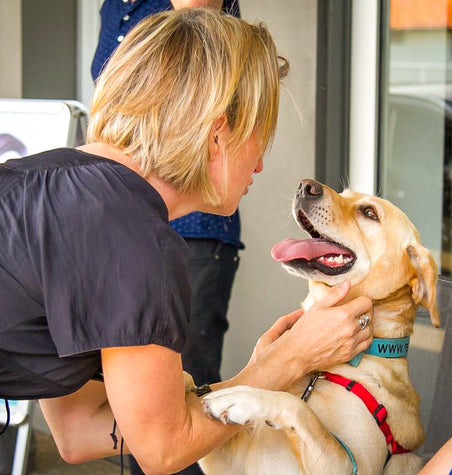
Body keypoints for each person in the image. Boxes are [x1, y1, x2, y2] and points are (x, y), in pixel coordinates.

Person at [0, 9, 373, 474]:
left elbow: (80, 431)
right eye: (261, 137)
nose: (259, 166)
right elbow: (163, 450)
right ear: (218, 134)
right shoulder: (132, 237)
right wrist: (291, 359)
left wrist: (258, 373)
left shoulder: (55, 185)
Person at [91, 2, 241, 473]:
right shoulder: (114, 6)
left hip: (192, 233)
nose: (259, 167)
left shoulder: (194, 16)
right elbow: (76, 436)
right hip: (122, 219)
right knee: (139, 404)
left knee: (183, 396)